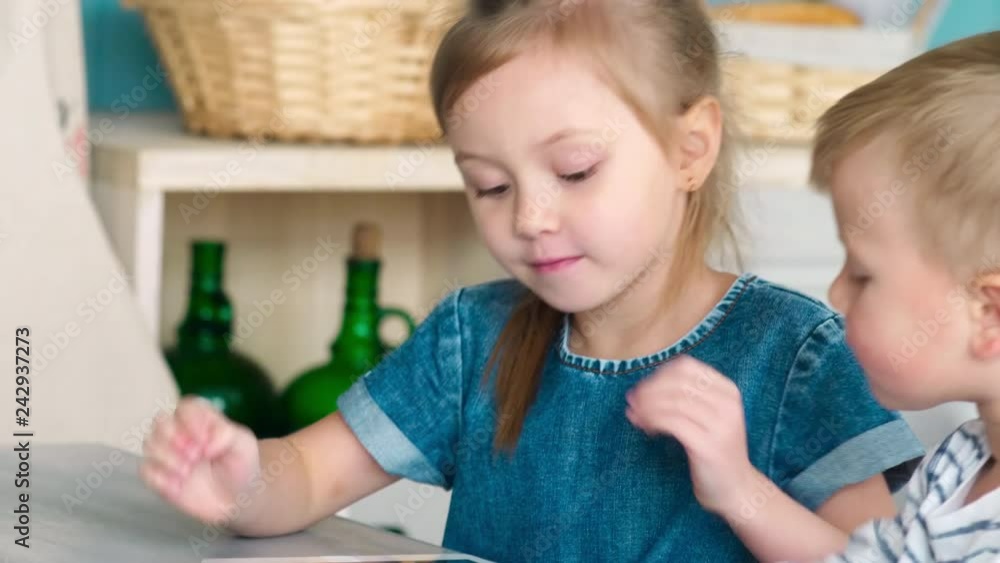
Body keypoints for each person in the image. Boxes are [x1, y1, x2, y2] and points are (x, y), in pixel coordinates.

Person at [137, 1, 925, 561]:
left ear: (691, 148)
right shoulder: (469, 338)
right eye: (489, 184)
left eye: (575, 170)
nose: (531, 217)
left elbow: (876, 558)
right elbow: (306, 474)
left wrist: (739, 486)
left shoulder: (795, 355)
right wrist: (242, 479)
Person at [685, 31, 1000, 562]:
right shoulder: (963, 461)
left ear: (989, 312)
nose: (835, 291)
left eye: (862, 273)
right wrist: (738, 490)